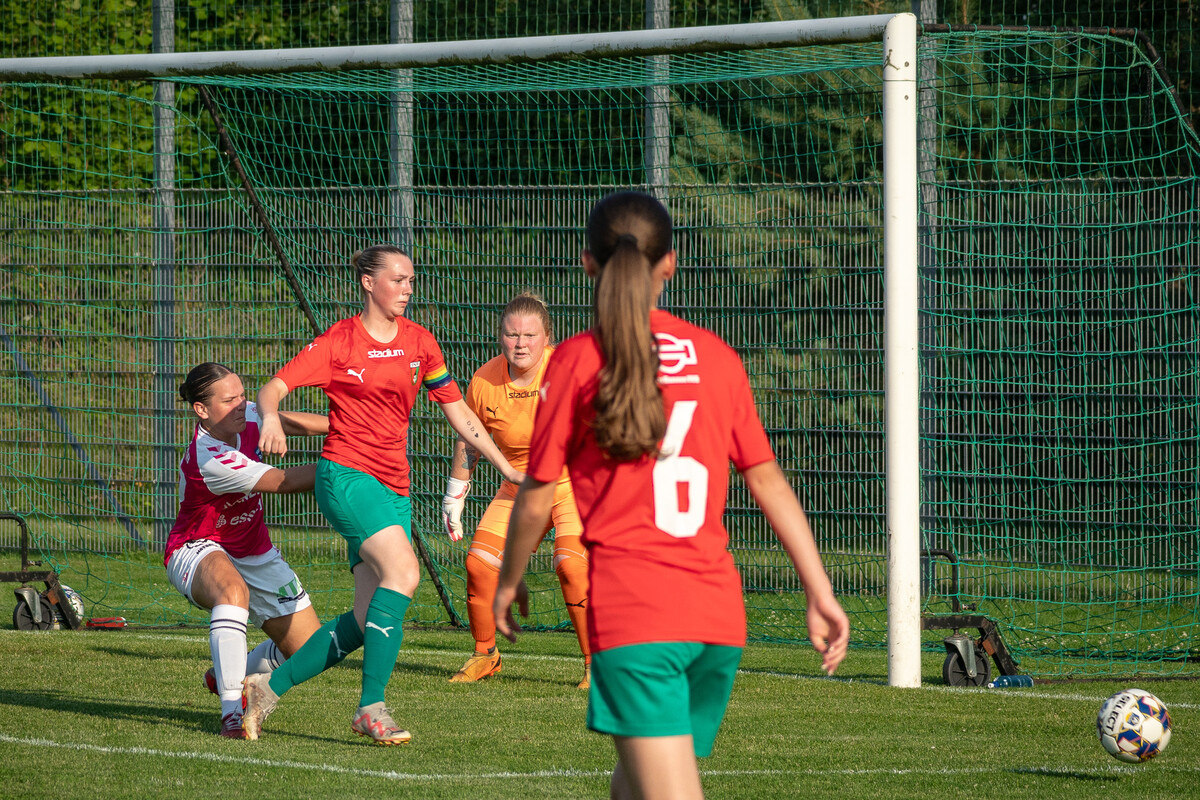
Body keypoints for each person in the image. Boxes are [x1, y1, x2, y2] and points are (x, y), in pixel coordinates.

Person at [493, 191, 850, 799]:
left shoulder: (577, 361)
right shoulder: (716, 356)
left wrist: (509, 579)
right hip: (716, 615)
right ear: (670, 265)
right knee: (632, 783)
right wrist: (820, 590)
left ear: (587, 263)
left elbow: (535, 492)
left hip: (639, 614)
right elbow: (767, 481)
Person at [243, 243, 523, 745]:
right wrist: (268, 418)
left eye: (411, 280)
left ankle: (267, 687)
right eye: (398, 279)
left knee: (364, 617)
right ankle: (371, 708)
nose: (407, 288)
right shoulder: (339, 342)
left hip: (395, 487)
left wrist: (504, 466)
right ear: (369, 283)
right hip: (346, 477)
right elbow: (273, 389)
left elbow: (458, 411)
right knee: (405, 572)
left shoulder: (420, 342)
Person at [167, 362, 328, 740]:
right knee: (232, 592)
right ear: (201, 410)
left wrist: (353, 428)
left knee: (311, 651)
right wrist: (354, 461)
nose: (241, 404)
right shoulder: (210, 456)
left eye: (242, 395)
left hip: (254, 549)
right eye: (229, 400)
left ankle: (228, 673)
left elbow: (288, 421)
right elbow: (283, 481)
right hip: (198, 545)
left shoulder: (246, 414)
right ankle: (231, 715)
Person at [440, 292, 591, 688]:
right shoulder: (484, 379)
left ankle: (598, 667)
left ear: (547, 338)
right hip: (517, 489)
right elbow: (469, 437)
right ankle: (485, 655)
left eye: (529, 335)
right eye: (512, 334)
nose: (520, 344)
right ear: (500, 337)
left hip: (571, 486)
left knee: (571, 565)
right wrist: (456, 490)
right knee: (479, 564)